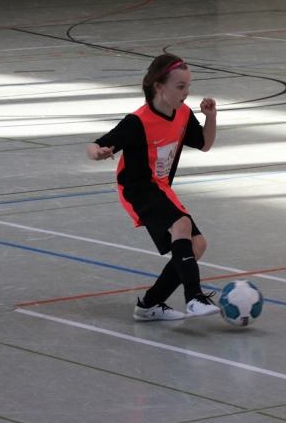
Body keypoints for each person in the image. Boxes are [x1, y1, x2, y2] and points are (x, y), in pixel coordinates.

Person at [87, 54, 221, 321]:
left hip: (161, 187)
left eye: (189, 85)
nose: (186, 91)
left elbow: (205, 144)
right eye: (180, 86)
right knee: (182, 225)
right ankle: (194, 298)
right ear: (159, 87)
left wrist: (211, 117)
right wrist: (98, 153)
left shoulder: (183, 113)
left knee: (197, 245)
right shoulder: (138, 121)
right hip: (137, 188)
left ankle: (150, 304)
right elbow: (94, 145)